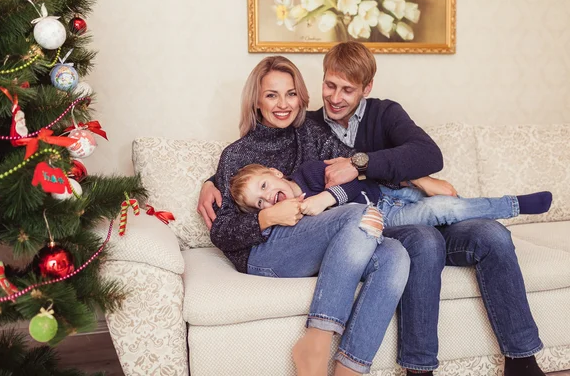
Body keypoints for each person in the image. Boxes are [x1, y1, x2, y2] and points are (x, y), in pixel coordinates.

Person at [198, 42, 548, 376]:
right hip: (356, 225)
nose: (335, 97)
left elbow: (399, 163)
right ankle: (391, 360)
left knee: (479, 236)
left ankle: (519, 360)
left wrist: (402, 176)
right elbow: (242, 182)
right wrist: (218, 187)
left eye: (346, 90)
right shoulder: (298, 132)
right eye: (330, 86)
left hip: (394, 211)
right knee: (399, 233)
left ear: (365, 87)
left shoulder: (347, 124)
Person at [210, 55, 410, 376]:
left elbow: (360, 174)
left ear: (301, 96)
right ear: (257, 102)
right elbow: (221, 233)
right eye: (271, 95)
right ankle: (315, 342)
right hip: (263, 254)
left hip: (310, 242)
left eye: (290, 94)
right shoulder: (237, 154)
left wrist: (418, 177)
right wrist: (269, 216)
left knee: (395, 255)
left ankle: (350, 368)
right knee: (355, 215)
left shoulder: (312, 136)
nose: (283, 104)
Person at [229, 161, 552, 226]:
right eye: (259, 202)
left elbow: (355, 182)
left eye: (264, 186)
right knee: (444, 210)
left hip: (385, 190)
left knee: (453, 202)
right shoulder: (293, 218)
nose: (268, 197)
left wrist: (325, 197)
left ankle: (493, 206)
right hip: (387, 217)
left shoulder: (311, 173)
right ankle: (514, 205)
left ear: (275, 173)